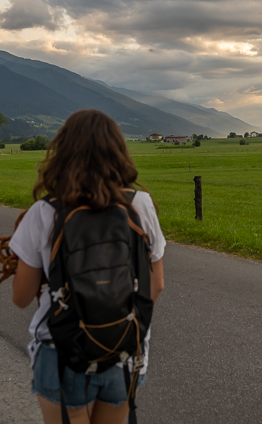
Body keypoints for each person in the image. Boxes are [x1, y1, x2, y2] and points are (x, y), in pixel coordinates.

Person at [9, 109, 166, 424]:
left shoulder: (43, 212)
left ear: (63, 152)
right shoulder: (140, 204)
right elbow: (156, 285)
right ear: (118, 152)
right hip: (123, 354)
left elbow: (21, 296)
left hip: (61, 355)